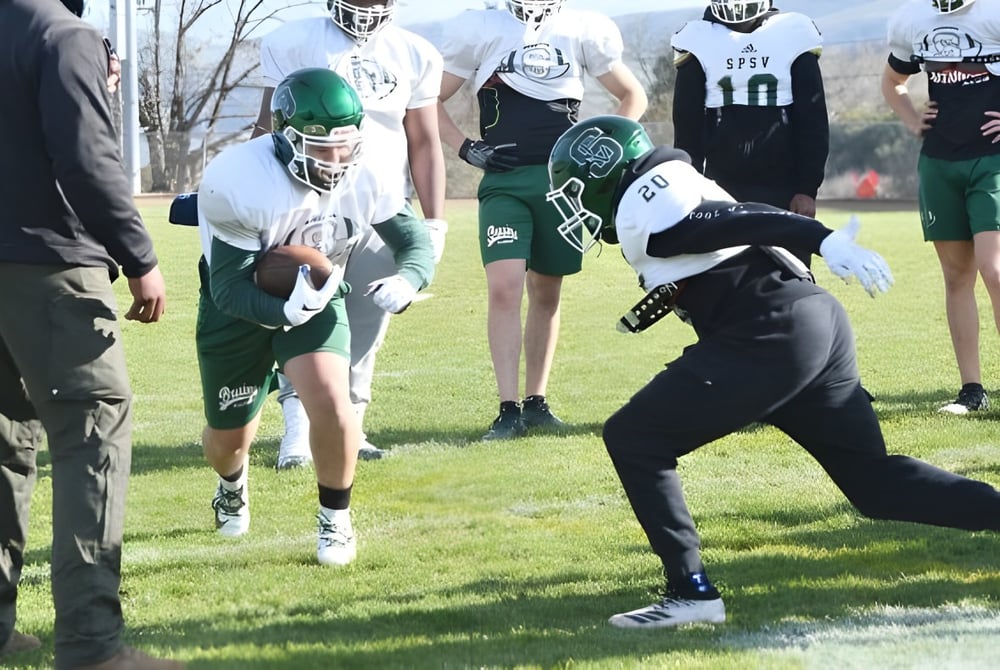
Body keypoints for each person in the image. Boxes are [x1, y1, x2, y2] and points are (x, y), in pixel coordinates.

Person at [545, 115, 1000, 629]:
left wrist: (822, 238)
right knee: (874, 484)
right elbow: (733, 223)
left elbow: (730, 223)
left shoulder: (644, 201)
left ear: (607, 172)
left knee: (633, 437)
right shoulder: (673, 180)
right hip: (811, 319)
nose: (578, 207)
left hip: (767, 333)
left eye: (577, 190)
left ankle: (691, 592)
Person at [0, 1, 179, 668]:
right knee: (92, 439)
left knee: (5, 444)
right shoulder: (64, 36)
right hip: (52, 267)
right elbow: (85, 158)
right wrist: (140, 257)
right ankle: (93, 646)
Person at [197, 67, 434, 566]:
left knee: (332, 400)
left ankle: (335, 520)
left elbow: (412, 240)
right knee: (228, 440)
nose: (334, 161)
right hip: (241, 303)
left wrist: (409, 278)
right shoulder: (239, 178)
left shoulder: (369, 170)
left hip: (321, 291)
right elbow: (228, 289)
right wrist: (284, 307)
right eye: (320, 148)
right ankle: (231, 485)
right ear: (284, 139)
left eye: (343, 147)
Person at [436, 0, 648, 440]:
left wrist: (607, 146)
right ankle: (507, 407)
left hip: (562, 186)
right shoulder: (482, 25)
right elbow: (428, 99)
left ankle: (536, 402)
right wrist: (462, 146)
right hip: (504, 182)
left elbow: (633, 95)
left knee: (547, 290)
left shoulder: (582, 26)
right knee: (504, 287)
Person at [253, 0, 446, 465]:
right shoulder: (292, 42)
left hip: (379, 204)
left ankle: (349, 426)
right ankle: (298, 430)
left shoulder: (416, 52)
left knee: (367, 317)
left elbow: (423, 140)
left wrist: (434, 219)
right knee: (303, 312)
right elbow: (267, 128)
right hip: (306, 199)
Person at [881, 0, 1000, 414]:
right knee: (956, 277)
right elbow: (893, 80)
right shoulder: (912, 19)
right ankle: (972, 390)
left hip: (994, 159)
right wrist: (913, 120)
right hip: (940, 161)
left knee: (996, 270)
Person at [671, 0, 829, 227]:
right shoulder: (698, 37)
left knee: (786, 262)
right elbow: (687, 126)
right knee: (725, 261)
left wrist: (807, 188)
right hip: (719, 185)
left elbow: (813, 119)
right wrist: (690, 186)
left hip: (783, 184)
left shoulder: (792, 32)